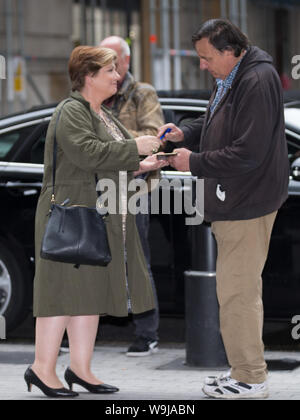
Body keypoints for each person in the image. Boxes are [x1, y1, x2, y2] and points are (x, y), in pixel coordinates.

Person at [24, 45, 167, 398]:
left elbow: (108, 159)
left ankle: (80, 369)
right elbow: (88, 153)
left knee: (88, 295)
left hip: (93, 212)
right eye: (109, 71)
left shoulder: (100, 112)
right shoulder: (71, 111)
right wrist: (137, 149)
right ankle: (42, 369)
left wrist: (142, 165)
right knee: (61, 294)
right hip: (72, 212)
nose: (117, 76)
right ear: (88, 77)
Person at [158, 19, 289, 399]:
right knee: (237, 292)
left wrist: (193, 163)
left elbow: (248, 152)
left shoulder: (255, 80)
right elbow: (216, 121)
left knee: (237, 294)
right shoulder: (235, 75)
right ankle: (243, 372)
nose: (202, 65)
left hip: (246, 202)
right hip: (237, 200)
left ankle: (250, 378)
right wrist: (186, 132)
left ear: (229, 51)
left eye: (206, 57)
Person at [100, 35, 164, 357]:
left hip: (135, 189)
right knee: (93, 259)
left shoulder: (142, 94)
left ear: (125, 61)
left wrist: (113, 141)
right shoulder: (94, 93)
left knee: (136, 263)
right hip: (98, 188)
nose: (106, 65)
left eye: (111, 59)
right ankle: (83, 328)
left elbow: (156, 137)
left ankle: (146, 333)